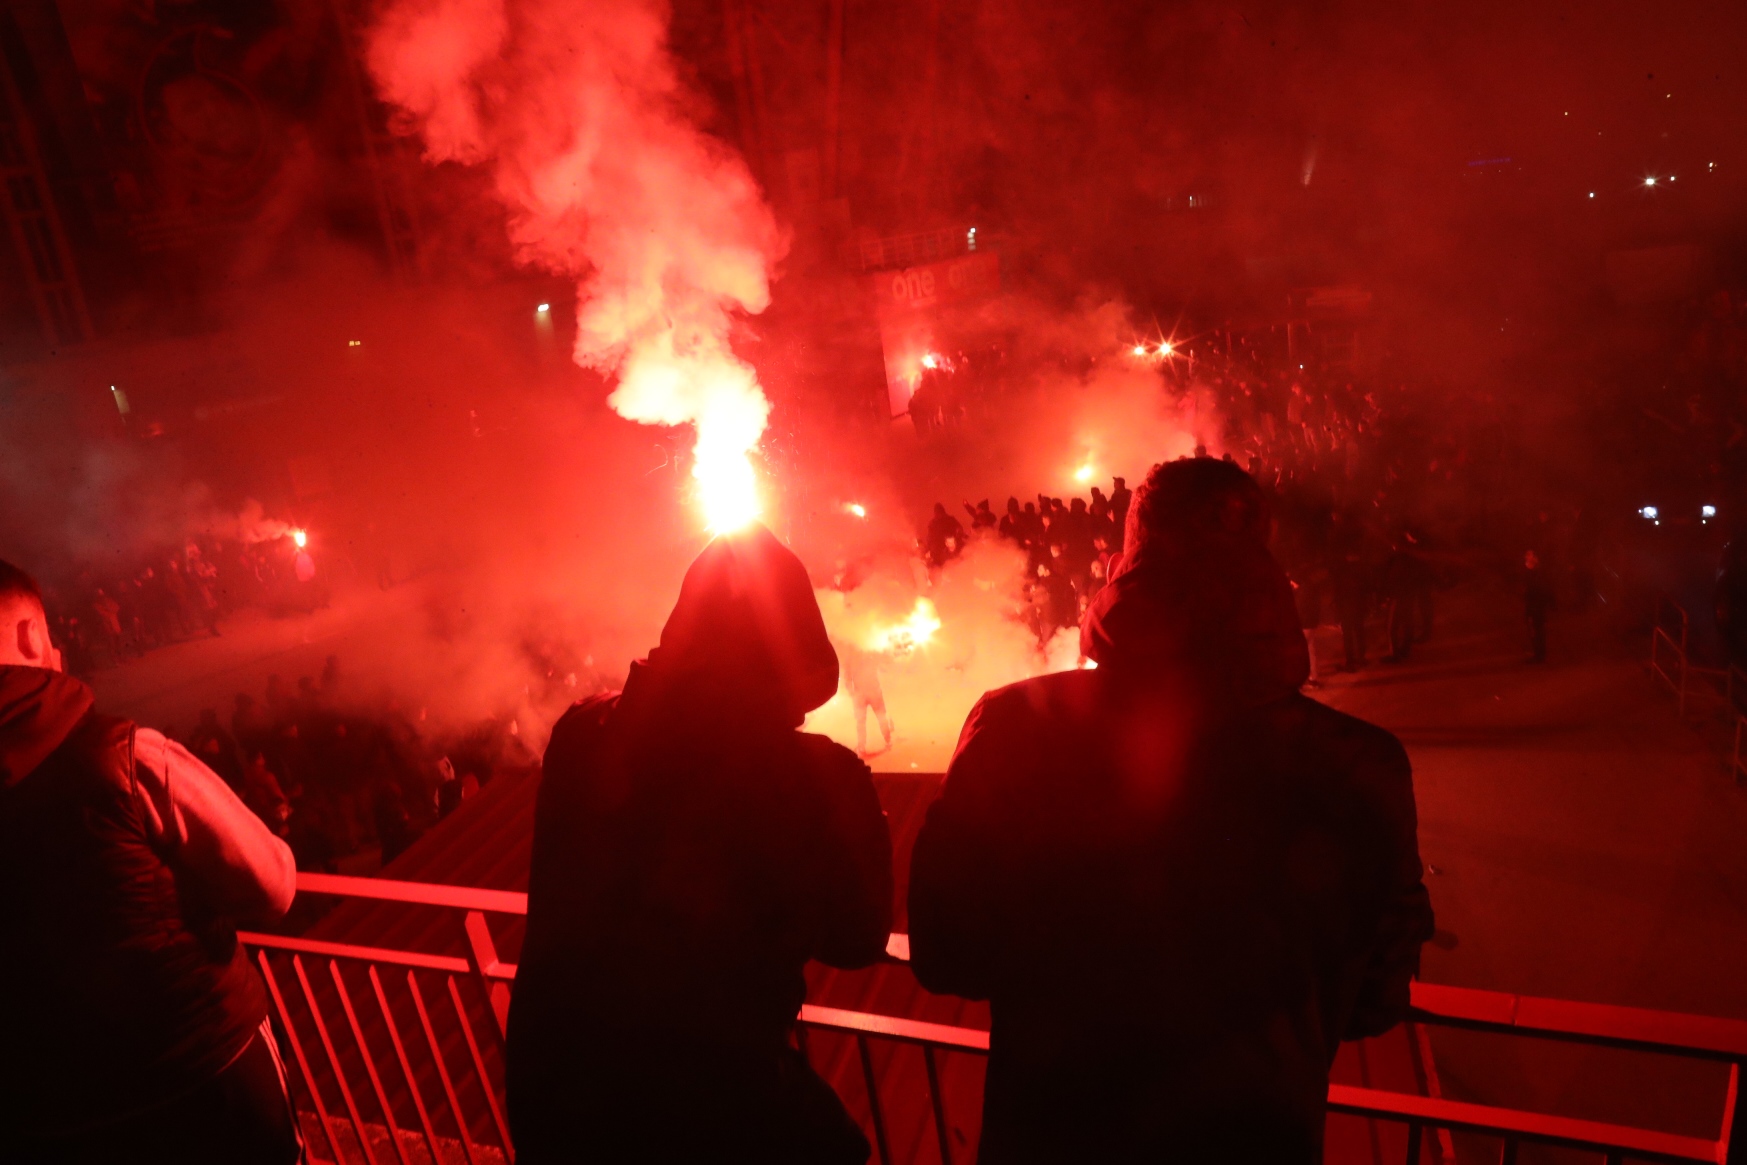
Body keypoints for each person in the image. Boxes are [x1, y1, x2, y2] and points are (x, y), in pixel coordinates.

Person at [908, 460, 1432, 1164]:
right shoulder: (1357, 762)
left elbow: (948, 958)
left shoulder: (1013, 728)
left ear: (1131, 561)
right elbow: (1375, 1001)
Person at [506, 524, 893, 1164]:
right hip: (706, 1113)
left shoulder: (581, 732)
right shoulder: (813, 777)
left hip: (553, 1102)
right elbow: (858, 937)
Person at [0, 559, 301, 1164]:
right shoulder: (121, 756)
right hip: (206, 1078)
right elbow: (273, 883)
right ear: (34, 636)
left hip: (53, 1116)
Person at [839, 640, 895, 758]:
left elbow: (847, 675)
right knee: (872, 718)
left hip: (866, 692)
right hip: (866, 692)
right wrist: (852, 691)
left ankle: (869, 744)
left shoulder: (865, 654)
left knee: (868, 720)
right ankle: (882, 741)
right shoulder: (869, 653)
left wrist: (851, 691)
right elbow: (847, 675)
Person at [1524, 549, 1554, 663]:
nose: (1527, 558)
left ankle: (1539, 655)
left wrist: (1549, 603)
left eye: (1530, 555)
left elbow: (1543, 589)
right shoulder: (1530, 572)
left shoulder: (1538, 573)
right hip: (1533, 606)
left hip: (1537, 606)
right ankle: (1538, 653)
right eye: (1527, 556)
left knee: (1538, 630)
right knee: (1535, 630)